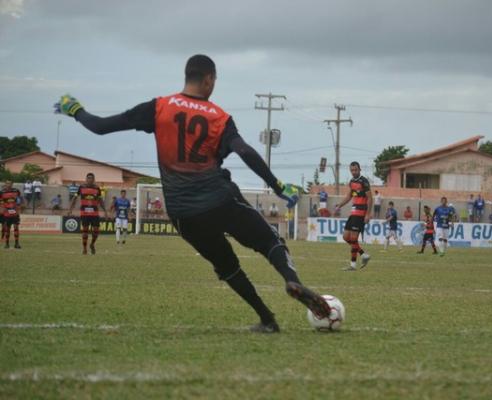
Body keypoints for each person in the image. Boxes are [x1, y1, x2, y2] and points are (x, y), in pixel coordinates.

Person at [54, 54, 330, 333]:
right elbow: (244, 151)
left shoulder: (159, 107)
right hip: (220, 199)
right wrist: (278, 186)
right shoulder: (219, 117)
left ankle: (267, 319)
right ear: (209, 79)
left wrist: (75, 110)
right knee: (269, 241)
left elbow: (101, 127)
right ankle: (291, 279)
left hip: (182, 212)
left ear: (188, 76)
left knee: (226, 265)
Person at [335, 161, 372, 271]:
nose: (354, 172)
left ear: (359, 169)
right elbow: (349, 196)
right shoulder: (351, 182)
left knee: (353, 238)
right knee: (346, 237)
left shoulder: (364, 181)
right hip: (353, 213)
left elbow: (370, 198)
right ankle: (363, 254)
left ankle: (353, 265)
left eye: (355, 170)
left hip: (361, 213)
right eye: (352, 170)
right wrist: (340, 205)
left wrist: (368, 214)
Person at [68, 172, 108, 255]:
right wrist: (70, 209)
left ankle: (92, 244)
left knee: (96, 231)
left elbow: (100, 200)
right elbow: (75, 198)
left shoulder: (97, 188)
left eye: (92, 178)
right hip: (84, 213)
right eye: (88, 178)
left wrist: (105, 211)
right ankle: (84, 249)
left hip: (94, 213)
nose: (90, 179)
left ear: (94, 179)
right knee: (85, 231)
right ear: (86, 179)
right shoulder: (81, 187)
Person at [1, 180, 22, 249]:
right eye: (7, 183)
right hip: (7, 213)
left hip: (15, 212)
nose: (8, 184)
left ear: (12, 184)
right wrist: (2, 209)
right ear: (5, 184)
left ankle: (17, 243)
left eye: (10, 183)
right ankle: (7, 244)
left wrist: (19, 206)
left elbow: (19, 198)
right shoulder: (2, 192)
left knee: (16, 228)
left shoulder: (16, 191)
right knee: (7, 229)